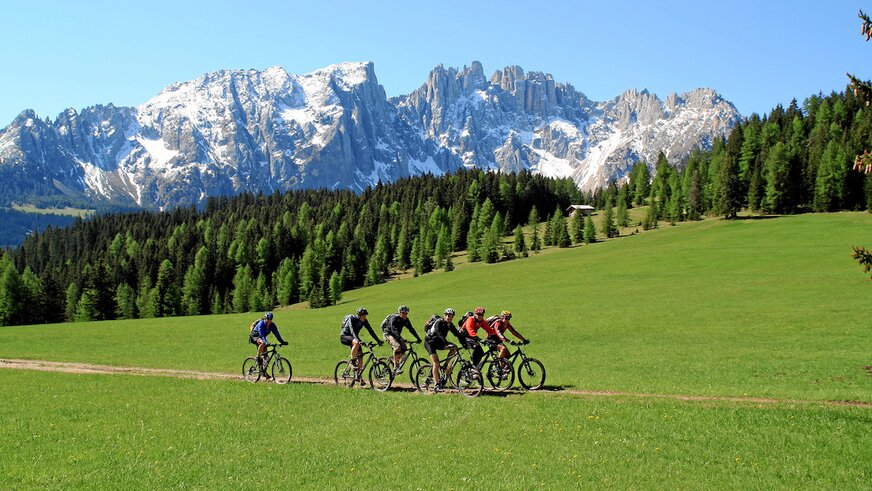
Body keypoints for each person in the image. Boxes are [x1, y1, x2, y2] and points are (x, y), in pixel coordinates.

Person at [423, 308, 464, 391]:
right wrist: (446, 343)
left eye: (451, 316)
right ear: (444, 315)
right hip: (430, 343)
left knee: (454, 348)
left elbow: (457, 334)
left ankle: (445, 365)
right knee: (436, 363)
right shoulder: (439, 322)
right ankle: (436, 384)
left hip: (439, 342)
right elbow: (439, 333)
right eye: (448, 316)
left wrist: (464, 342)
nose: (449, 318)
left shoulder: (450, 325)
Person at [339, 307, 382, 383]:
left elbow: (370, 330)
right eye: (363, 315)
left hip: (354, 338)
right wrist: (358, 340)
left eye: (365, 315)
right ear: (359, 315)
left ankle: (359, 377)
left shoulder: (364, 321)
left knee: (361, 359)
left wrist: (378, 341)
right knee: (356, 343)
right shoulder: (352, 319)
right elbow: (352, 331)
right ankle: (352, 362)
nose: (364, 317)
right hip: (345, 336)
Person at [381, 305, 422, 374]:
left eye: (406, 313)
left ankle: (394, 360)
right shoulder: (394, 318)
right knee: (397, 346)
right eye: (403, 313)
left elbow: (411, 329)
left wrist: (418, 338)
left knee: (404, 348)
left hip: (396, 336)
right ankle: (395, 367)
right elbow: (394, 330)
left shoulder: (406, 320)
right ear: (399, 312)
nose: (405, 315)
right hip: (388, 334)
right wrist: (400, 338)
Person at [249, 312, 288, 379]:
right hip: (254, 336)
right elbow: (262, 335)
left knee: (267, 358)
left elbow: (277, 334)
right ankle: (257, 357)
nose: (269, 321)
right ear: (265, 318)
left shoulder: (272, 325)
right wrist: (266, 342)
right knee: (263, 343)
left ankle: (264, 372)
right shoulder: (261, 324)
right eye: (267, 319)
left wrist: (282, 342)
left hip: (262, 338)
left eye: (270, 320)